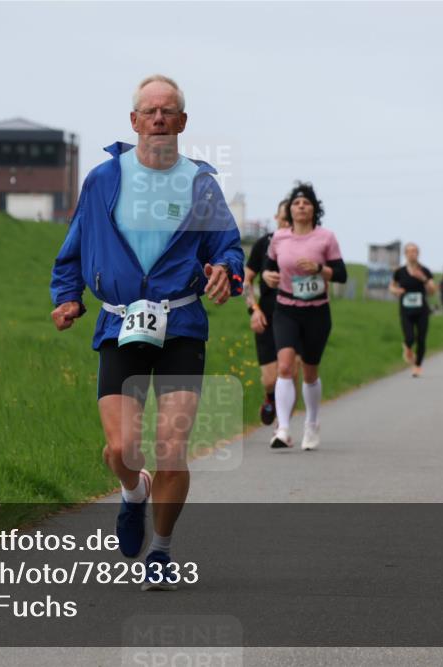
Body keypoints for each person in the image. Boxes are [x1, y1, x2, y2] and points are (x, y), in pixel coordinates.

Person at [50, 75, 243, 590]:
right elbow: (72, 248)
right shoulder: (102, 179)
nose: (159, 118)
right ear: (133, 121)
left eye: (169, 111)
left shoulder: (201, 183)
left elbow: (227, 247)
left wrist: (228, 271)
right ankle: (133, 492)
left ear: (182, 122)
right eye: (149, 111)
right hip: (119, 322)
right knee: (121, 450)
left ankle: (161, 550)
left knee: (171, 447)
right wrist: (67, 297)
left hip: (180, 322)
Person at [265, 182, 347, 450]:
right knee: (285, 366)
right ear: (289, 209)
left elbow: (341, 274)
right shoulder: (279, 239)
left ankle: (312, 424)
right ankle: (284, 428)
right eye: (297, 203)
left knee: (310, 372)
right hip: (286, 309)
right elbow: (268, 268)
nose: (301, 206)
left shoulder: (326, 238)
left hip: (317, 311)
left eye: (307, 203)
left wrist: (319, 269)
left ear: (314, 210)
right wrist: (268, 276)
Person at [244, 199, 290, 425]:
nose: (286, 223)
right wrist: (253, 309)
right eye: (283, 218)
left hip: (295, 316)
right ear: (276, 217)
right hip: (268, 316)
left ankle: (284, 427)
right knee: (271, 378)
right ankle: (270, 397)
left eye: (289, 220)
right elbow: (246, 280)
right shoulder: (263, 244)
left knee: (289, 370)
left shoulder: (304, 246)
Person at [389, 242, 437, 377]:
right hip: (406, 310)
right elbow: (391, 287)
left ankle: (417, 366)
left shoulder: (425, 270)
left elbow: (433, 291)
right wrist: (396, 290)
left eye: (415, 251)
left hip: (422, 310)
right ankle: (408, 348)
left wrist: (423, 279)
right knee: (409, 337)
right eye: (409, 251)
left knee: (421, 338)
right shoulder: (399, 272)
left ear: (418, 253)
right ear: (405, 254)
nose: (412, 253)